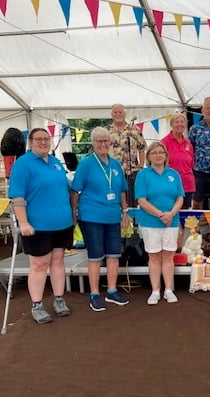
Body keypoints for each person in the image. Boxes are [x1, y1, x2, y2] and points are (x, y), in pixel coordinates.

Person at [8, 128, 73, 325]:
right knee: (39, 265)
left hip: (62, 222)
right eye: (39, 139)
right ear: (31, 142)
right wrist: (24, 222)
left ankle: (59, 299)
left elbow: (64, 188)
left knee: (58, 261)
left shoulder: (55, 163)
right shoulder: (22, 164)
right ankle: (37, 304)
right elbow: (17, 197)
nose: (43, 142)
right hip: (38, 225)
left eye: (46, 139)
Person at [71, 127, 130, 312]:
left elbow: (121, 190)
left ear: (110, 142)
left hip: (112, 215)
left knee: (114, 255)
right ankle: (94, 294)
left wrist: (125, 211)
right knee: (95, 256)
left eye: (106, 141)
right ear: (93, 144)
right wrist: (74, 213)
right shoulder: (86, 164)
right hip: (92, 215)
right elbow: (75, 190)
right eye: (99, 141)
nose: (103, 144)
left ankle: (112, 291)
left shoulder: (115, 164)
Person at [134, 142, 184, 305]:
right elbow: (141, 199)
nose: (158, 155)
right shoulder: (143, 175)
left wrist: (171, 213)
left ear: (166, 155)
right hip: (150, 222)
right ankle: (155, 291)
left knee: (168, 256)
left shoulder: (174, 174)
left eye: (161, 152)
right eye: (154, 152)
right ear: (148, 156)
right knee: (154, 256)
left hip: (171, 221)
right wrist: (160, 214)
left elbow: (180, 198)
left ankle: (169, 290)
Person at [107, 103, 147, 206]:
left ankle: (132, 221)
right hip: (113, 171)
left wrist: (141, 165)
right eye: (115, 112)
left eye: (120, 112)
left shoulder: (134, 129)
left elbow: (142, 148)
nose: (118, 114)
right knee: (116, 200)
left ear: (125, 114)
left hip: (132, 172)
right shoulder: (107, 131)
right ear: (111, 114)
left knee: (132, 201)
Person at [161, 113, 195, 209]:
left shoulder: (188, 143)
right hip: (171, 184)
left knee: (186, 217)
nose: (179, 124)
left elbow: (191, 163)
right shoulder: (165, 142)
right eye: (176, 122)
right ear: (171, 125)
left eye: (182, 122)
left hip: (187, 184)